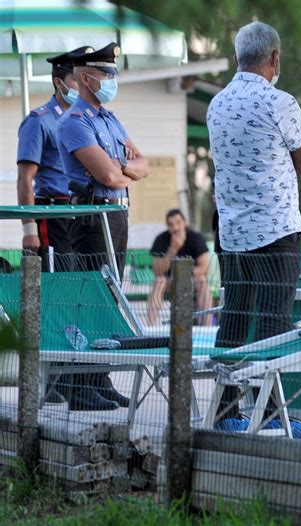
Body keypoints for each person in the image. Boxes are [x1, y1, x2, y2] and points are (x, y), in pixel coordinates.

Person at [207, 21, 301, 422]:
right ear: (274, 58)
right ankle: (272, 415)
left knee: (235, 316)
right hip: (275, 227)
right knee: (274, 320)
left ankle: (224, 411)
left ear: (238, 57)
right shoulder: (280, 102)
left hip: (232, 229)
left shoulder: (216, 103)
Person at [56, 42, 150, 411]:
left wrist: (120, 169)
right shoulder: (74, 123)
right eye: (105, 73)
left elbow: (143, 164)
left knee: (110, 299)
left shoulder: (110, 120)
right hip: (93, 217)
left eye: (113, 72)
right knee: (90, 300)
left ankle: (100, 378)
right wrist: (121, 168)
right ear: (84, 77)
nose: (111, 79)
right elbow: (108, 173)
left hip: (116, 212)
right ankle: (79, 384)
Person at [17, 46, 91, 272]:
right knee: (57, 284)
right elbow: (24, 179)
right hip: (53, 214)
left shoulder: (85, 119)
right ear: (60, 83)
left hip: (81, 214)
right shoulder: (39, 121)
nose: (84, 86)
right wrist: (30, 229)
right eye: (77, 80)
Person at [147, 209, 212, 326]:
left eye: (178, 222)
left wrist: (182, 276)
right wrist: (173, 249)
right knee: (159, 280)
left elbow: (204, 267)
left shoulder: (196, 238)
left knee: (202, 280)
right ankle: (150, 327)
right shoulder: (161, 239)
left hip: (191, 279)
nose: (175, 227)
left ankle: (207, 325)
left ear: (185, 222)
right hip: (168, 281)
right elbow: (158, 271)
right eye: (171, 224)